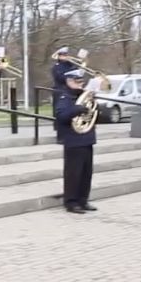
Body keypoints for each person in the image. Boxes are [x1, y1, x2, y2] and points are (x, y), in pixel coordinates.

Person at [54, 69, 97, 214]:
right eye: (77, 82)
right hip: (73, 140)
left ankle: (83, 200)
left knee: (86, 173)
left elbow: (94, 114)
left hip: (87, 138)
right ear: (69, 82)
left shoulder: (86, 96)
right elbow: (61, 116)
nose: (81, 85)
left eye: (81, 82)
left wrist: (94, 106)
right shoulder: (64, 97)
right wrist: (78, 109)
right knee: (73, 173)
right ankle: (71, 202)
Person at [50, 47, 76, 143]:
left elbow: (77, 74)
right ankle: (60, 137)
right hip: (60, 92)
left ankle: (70, 135)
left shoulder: (71, 65)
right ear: (59, 56)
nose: (65, 57)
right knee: (61, 115)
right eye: (63, 55)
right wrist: (69, 75)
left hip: (70, 91)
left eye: (66, 55)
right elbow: (60, 77)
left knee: (70, 114)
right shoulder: (56, 66)